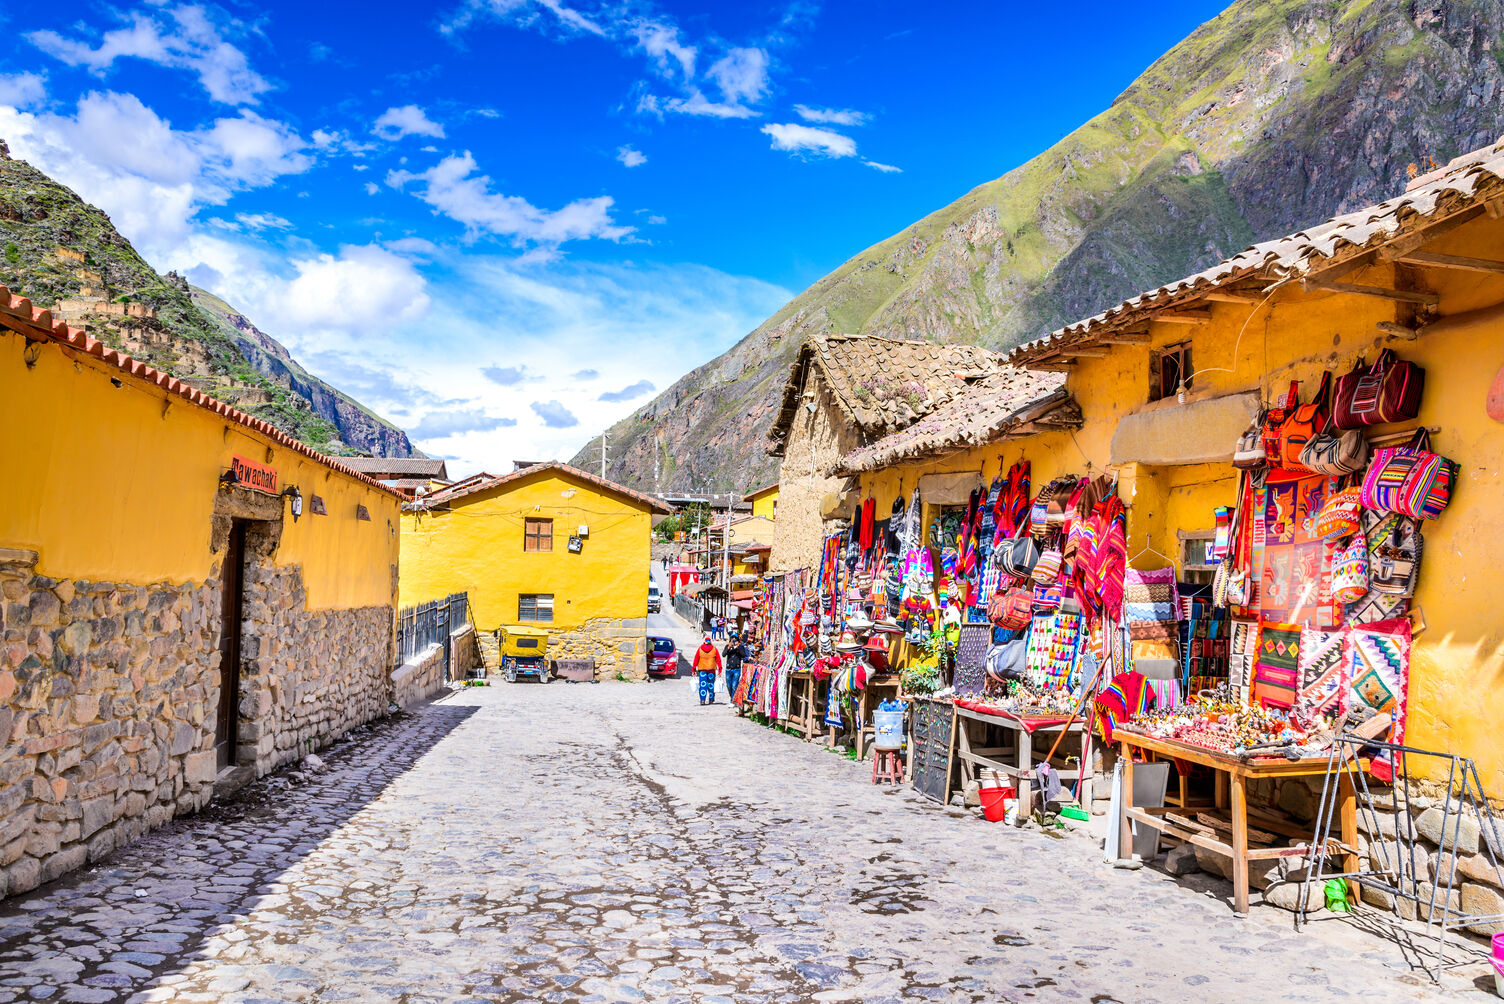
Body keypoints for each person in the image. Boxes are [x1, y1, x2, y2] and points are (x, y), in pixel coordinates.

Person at [692, 634, 722, 705]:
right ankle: (711, 699)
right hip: (711, 670)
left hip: (702, 670)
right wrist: (720, 669)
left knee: (703, 685)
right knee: (711, 685)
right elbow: (718, 660)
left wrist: (693, 669)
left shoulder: (700, 649)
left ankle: (702, 700)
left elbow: (696, 659)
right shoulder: (714, 649)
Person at [722, 633, 748, 704]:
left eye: (735, 639)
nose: (734, 640)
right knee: (729, 685)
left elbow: (743, 655)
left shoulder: (740, 647)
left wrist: (738, 647)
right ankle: (732, 697)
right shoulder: (728, 646)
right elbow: (723, 654)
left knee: (734, 685)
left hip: (736, 669)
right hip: (728, 669)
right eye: (732, 639)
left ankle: (732, 700)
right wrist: (729, 647)